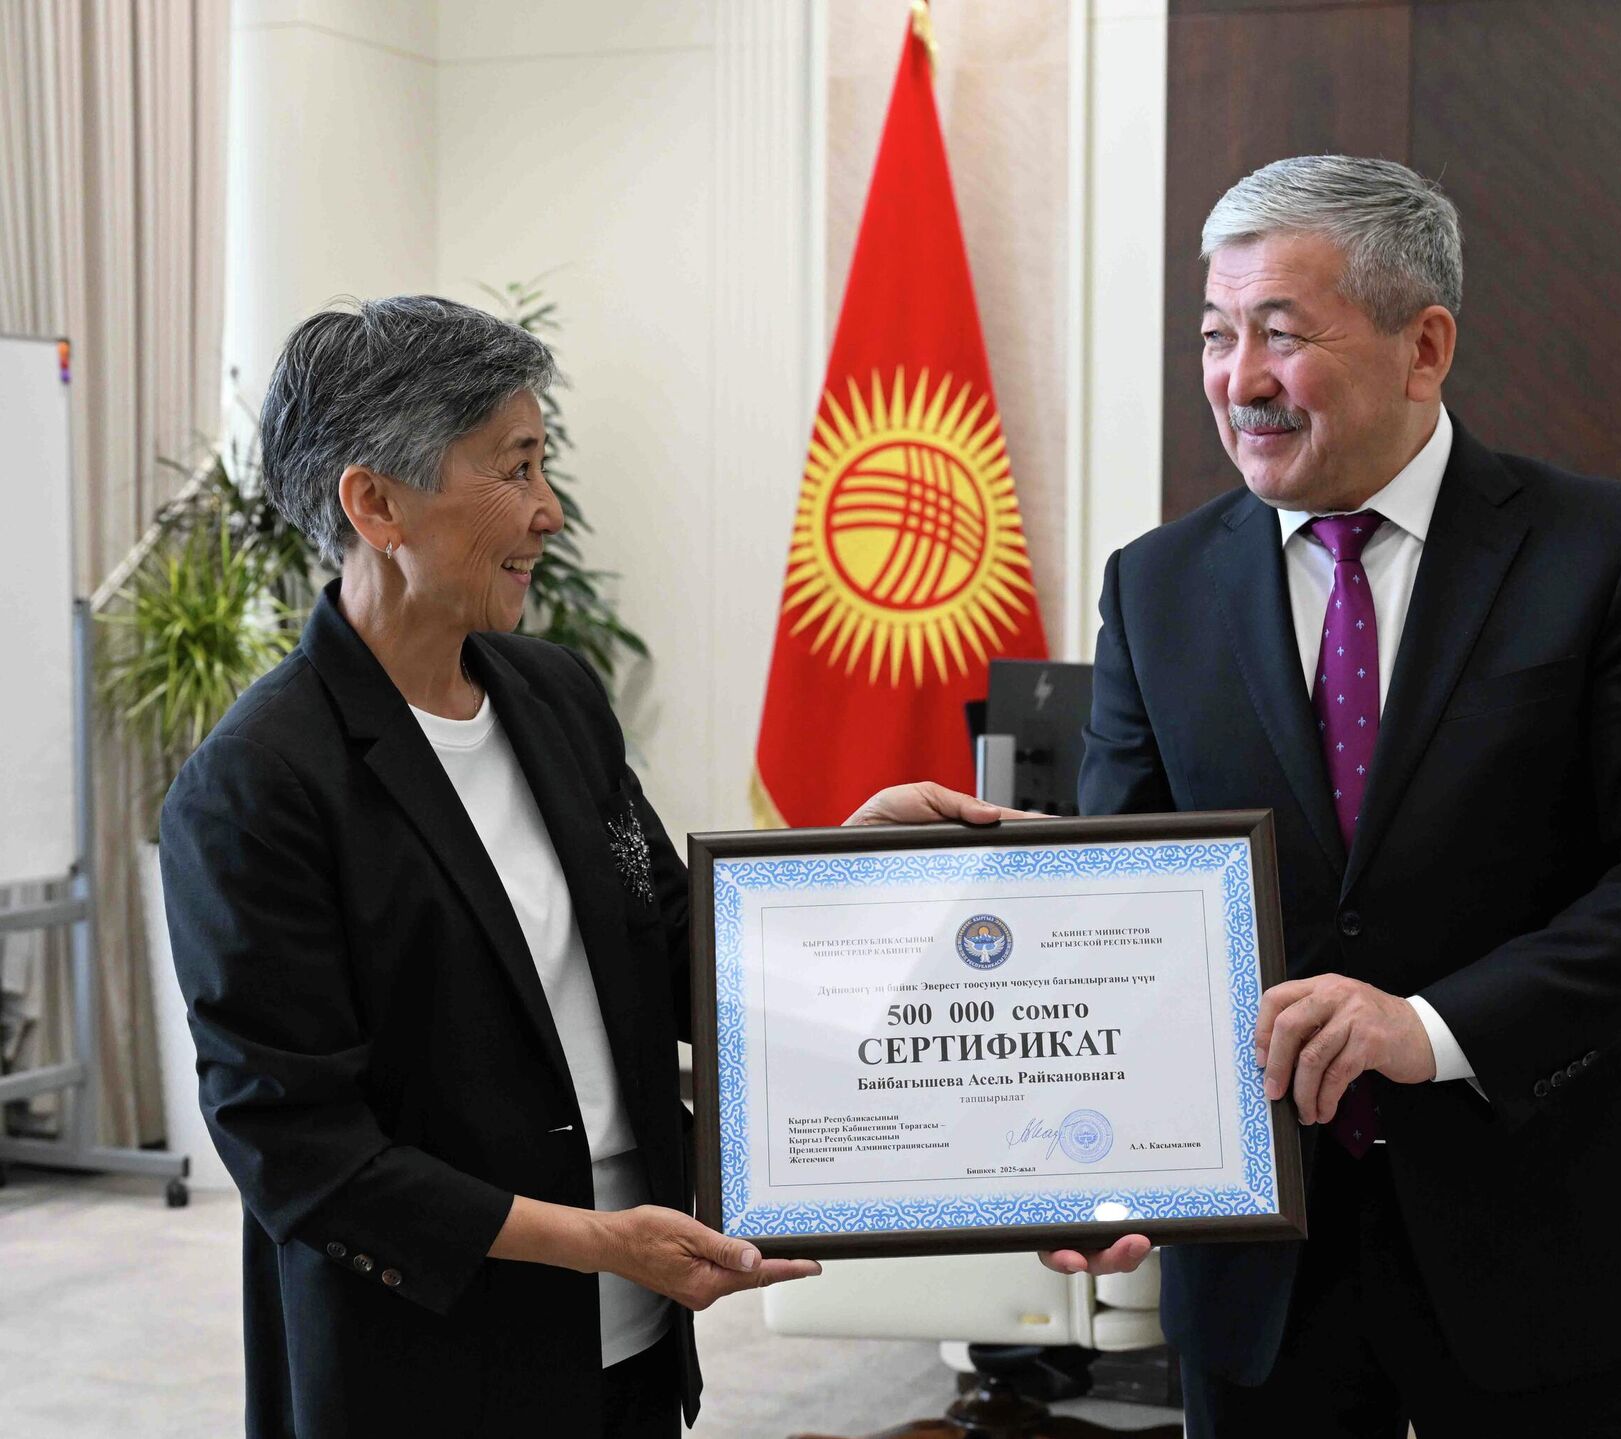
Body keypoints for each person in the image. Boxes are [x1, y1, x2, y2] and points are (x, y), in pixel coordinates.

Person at [160, 296, 1015, 1439]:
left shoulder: (553, 697)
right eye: (514, 466)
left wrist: (842, 870)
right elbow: (301, 1150)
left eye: (543, 464)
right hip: (424, 1371)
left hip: (630, 1343)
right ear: (375, 503)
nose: (549, 509)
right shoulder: (257, 783)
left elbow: (672, 944)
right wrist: (595, 1240)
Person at [1046, 157, 1621, 1437]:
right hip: (1263, 1269)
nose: (1239, 378)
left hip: (1544, 1247)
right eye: (1214, 335)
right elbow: (1127, 904)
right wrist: (1091, 1156)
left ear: (1423, 346)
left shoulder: (1601, 551)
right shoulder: (1153, 586)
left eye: (1281, 333)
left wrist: (1432, 1026)